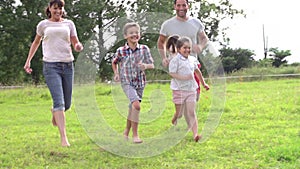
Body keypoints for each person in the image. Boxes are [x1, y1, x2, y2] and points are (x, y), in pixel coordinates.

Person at [23, 0, 83, 147]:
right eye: (55, 8)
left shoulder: (69, 24)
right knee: (60, 103)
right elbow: (36, 43)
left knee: (66, 104)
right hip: (51, 66)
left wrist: (77, 46)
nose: (58, 11)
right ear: (49, 9)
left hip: (68, 65)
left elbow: (75, 41)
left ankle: (55, 111)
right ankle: (64, 138)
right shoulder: (43, 25)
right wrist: (28, 61)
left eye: (60, 8)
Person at [112, 22, 154, 144]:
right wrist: (116, 73)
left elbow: (152, 64)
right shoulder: (121, 51)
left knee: (132, 108)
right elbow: (114, 62)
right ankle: (135, 135)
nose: (134, 35)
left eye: (137, 32)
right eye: (131, 33)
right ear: (125, 36)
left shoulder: (144, 49)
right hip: (127, 82)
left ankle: (126, 131)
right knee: (136, 106)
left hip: (140, 82)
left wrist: (145, 66)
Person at [168, 36, 209, 142]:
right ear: (178, 49)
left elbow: (197, 71)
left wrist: (203, 83)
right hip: (179, 90)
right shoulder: (175, 60)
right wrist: (184, 78)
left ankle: (195, 134)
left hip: (191, 89)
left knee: (191, 112)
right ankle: (175, 118)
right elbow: (172, 73)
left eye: (189, 48)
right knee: (180, 114)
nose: (187, 50)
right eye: (184, 48)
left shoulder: (192, 59)